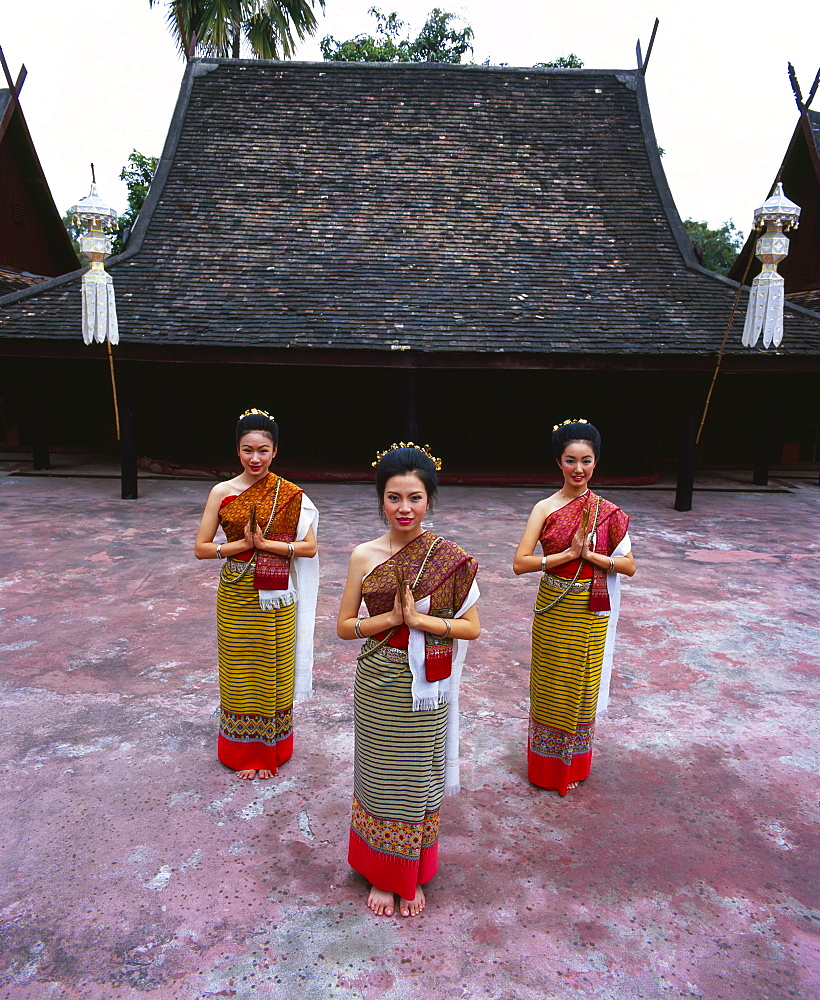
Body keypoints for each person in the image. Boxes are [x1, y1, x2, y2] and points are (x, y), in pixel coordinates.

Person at [337, 443, 480, 918]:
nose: (405, 508)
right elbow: (344, 627)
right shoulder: (364, 555)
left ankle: (410, 869)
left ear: (429, 500)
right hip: (379, 678)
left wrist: (422, 622)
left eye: (415, 498)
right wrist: (391, 620)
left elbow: (471, 628)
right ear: (381, 499)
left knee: (417, 777)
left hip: (427, 685)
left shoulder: (450, 558)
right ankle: (382, 873)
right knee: (380, 775)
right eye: (394, 497)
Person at [512, 419, 635, 795]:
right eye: (570, 460)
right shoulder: (544, 508)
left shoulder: (607, 512)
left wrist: (594, 556)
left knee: (582, 686)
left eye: (586, 461)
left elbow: (629, 566)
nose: (578, 469)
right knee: (552, 687)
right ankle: (547, 769)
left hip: (591, 610)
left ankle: (575, 765)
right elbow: (520, 563)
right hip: (554, 607)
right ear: (558, 462)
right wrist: (566, 554)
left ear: (596, 463)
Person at [195, 408, 319, 780]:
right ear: (237, 450)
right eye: (248, 450)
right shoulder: (222, 492)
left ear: (275, 451)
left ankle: (271, 750)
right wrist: (239, 547)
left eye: (263, 450)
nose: (255, 458)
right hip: (236, 593)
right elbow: (201, 547)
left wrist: (266, 544)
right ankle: (241, 750)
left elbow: (310, 547)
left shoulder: (291, 494)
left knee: (273, 669)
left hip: (276, 592)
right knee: (238, 671)